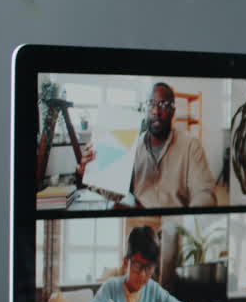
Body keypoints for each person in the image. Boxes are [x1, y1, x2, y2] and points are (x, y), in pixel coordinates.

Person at [78, 83, 218, 208]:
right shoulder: (131, 147)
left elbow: (205, 194)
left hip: (176, 225)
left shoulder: (191, 146)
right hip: (142, 220)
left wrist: (185, 224)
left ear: (173, 111)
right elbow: (115, 193)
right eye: (151, 103)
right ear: (145, 109)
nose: (156, 111)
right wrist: (89, 173)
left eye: (163, 105)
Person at [73, 225, 193, 302]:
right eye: (137, 266)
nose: (142, 275)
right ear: (126, 263)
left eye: (149, 268)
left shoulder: (153, 290)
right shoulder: (110, 288)